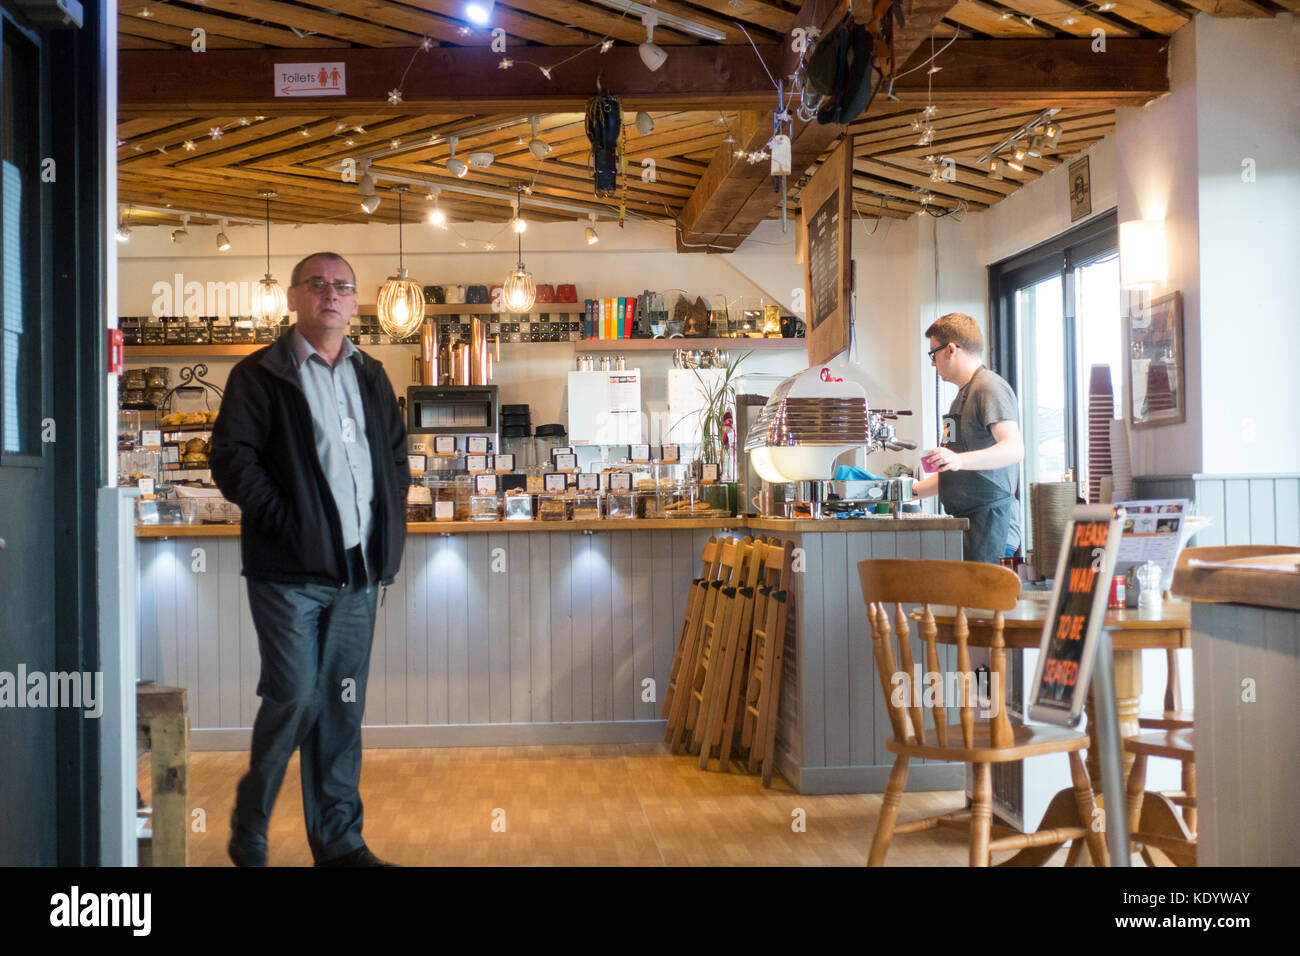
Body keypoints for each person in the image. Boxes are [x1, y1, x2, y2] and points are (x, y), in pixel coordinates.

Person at [211, 252, 409, 866]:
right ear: (294, 297)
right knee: (295, 695)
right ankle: (252, 819)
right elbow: (231, 461)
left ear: (356, 302)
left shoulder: (371, 374)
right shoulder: (260, 375)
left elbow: (395, 460)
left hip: (358, 573)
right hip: (288, 574)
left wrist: (386, 528)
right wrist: (287, 522)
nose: (331, 294)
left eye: (342, 287)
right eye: (317, 284)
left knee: (342, 707)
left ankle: (341, 844)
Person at [911, 312, 1024, 565]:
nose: (932, 363)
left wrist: (959, 460)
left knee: (983, 604)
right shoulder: (959, 399)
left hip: (992, 523)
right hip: (969, 524)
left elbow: (1014, 449)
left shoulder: (989, 388)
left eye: (933, 354)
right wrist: (908, 491)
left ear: (951, 349)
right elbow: (953, 471)